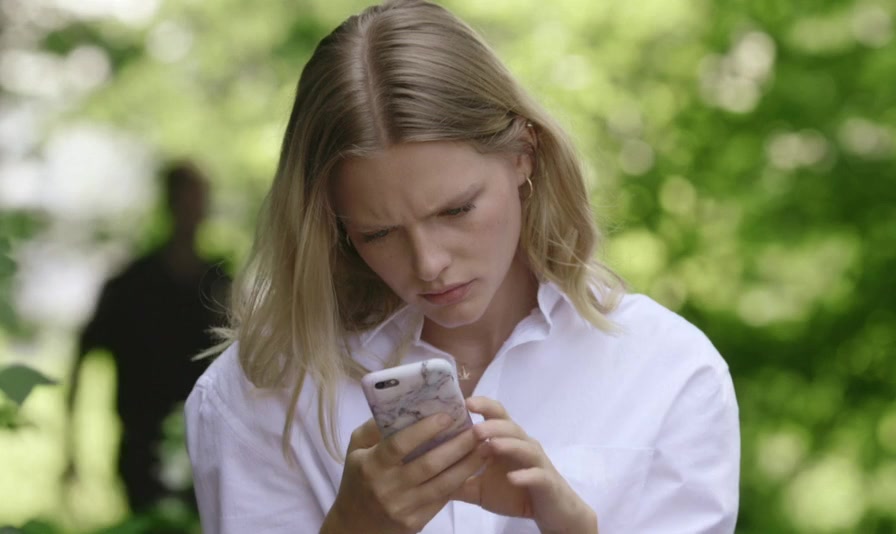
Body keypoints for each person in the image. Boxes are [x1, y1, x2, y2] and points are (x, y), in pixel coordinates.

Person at [183, 1, 739, 533]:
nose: (429, 264)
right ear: (332, 223)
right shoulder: (258, 393)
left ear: (523, 154)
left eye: (456, 210)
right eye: (378, 233)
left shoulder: (669, 372)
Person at [68, 160, 231, 514]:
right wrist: (70, 449)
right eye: (188, 200)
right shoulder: (131, 285)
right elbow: (83, 355)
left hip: (208, 445)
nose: (195, 210)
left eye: (200, 200)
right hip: (143, 447)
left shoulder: (218, 284)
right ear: (170, 203)